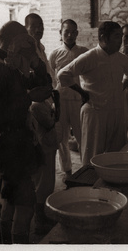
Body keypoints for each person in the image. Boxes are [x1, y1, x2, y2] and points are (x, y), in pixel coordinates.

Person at [0, 20, 52, 244]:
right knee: (24, 203)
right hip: (8, 142)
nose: (27, 48)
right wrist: (28, 98)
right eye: (24, 44)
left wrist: (34, 60)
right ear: (13, 42)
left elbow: (45, 81)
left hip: (17, 141)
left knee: (12, 200)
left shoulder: (10, 64)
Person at [58, 21, 128, 165]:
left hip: (117, 111)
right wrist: (81, 92)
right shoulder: (90, 57)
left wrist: (119, 89)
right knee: (92, 157)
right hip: (95, 112)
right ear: (103, 37)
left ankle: (113, 185)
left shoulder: (121, 58)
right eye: (117, 36)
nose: (121, 41)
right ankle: (90, 186)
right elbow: (63, 74)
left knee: (117, 154)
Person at [49, 19, 88, 178]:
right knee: (62, 137)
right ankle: (67, 171)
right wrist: (53, 100)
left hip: (79, 99)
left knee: (82, 135)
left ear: (77, 33)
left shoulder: (84, 52)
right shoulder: (55, 54)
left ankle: (86, 168)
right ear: (60, 33)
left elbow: (87, 76)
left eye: (73, 32)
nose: (70, 35)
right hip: (61, 100)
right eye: (66, 32)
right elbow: (52, 77)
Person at [30, 88, 60, 235]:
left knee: (48, 182)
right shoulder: (35, 106)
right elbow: (50, 123)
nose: (49, 90)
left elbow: (57, 118)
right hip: (43, 147)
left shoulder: (45, 102)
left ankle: (44, 216)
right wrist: (55, 107)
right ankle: (39, 220)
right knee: (42, 184)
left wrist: (56, 104)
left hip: (50, 144)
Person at [25, 13, 55, 85]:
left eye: (40, 26)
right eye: (33, 26)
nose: (38, 30)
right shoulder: (25, 50)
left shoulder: (41, 48)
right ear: (25, 28)